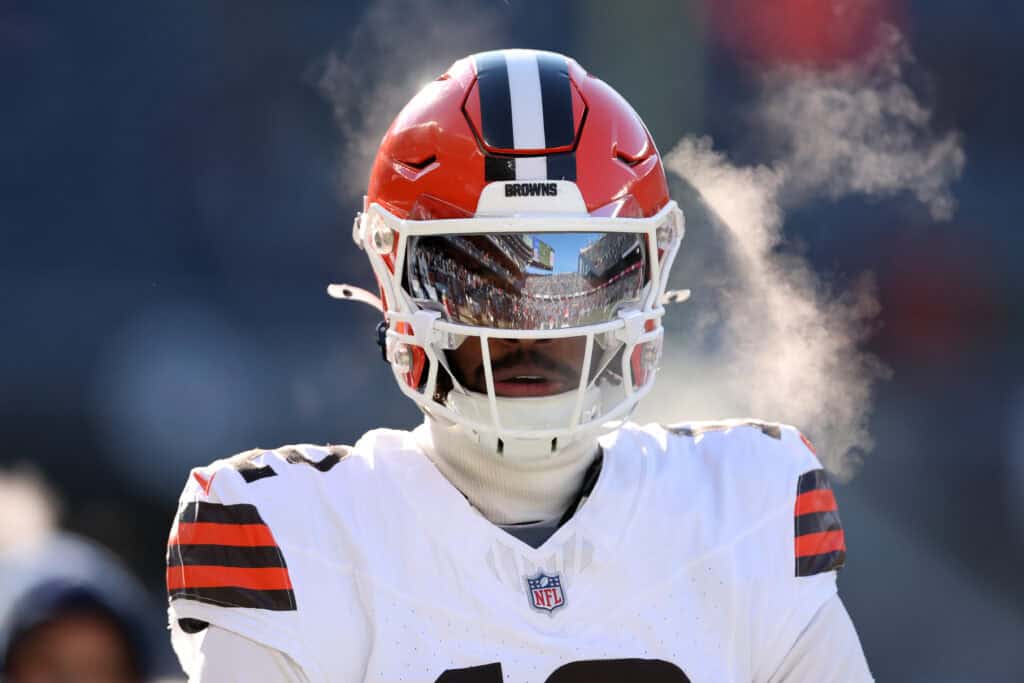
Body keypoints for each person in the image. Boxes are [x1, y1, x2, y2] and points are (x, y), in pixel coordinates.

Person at [166, 49, 873, 681]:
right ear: (397, 279)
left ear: (647, 275)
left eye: (572, 279)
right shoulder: (288, 535)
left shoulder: (748, 508)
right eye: (479, 280)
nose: (528, 325)